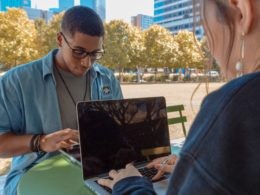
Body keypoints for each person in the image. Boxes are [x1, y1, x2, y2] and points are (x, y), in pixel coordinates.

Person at [98, 0, 260, 194]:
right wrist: (195, 169)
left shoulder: (236, 108)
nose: (208, 46)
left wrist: (130, 184)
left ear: (242, 10)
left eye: (203, 25)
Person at [0, 6, 122, 195]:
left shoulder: (107, 79)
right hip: (33, 175)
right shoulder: (16, 81)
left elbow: (118, 131)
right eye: (78, 52)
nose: (86, 63)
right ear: (59, 39)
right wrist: (40, 142)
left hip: (98, 170)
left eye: (95, 54)